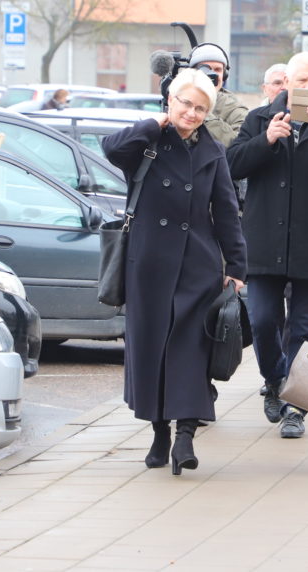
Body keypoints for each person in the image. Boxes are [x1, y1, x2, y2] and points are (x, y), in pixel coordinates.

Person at [101, 68, 246, 475]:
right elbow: (110, 149)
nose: (192, 113)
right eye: (186, 103)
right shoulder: (148, 142)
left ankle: (185, 435)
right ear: (170, 102)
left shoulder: (212, 152)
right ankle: (159, 432)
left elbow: (227, 212)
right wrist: (153, 124)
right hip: (147, 265)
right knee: (152, 353)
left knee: (190, 353)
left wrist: (236, 266)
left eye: (201, 108)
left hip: (197, 267)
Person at [227, 51, 308, 439]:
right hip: (265, 242)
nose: (307, 88)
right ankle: (274, 380)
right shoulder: (259, 119)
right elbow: (232, 164)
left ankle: (295, 407)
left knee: (302, 328)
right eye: (300, 80)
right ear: (287, 83)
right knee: (264, 321)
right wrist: (266, 141)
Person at [189, 43, 249, 148]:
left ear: (224, 75)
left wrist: (203, 111)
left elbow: (238, 145)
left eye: (217, 70)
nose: (212, 75)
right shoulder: (179, 101)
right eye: (205, 69)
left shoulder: (236, 109)